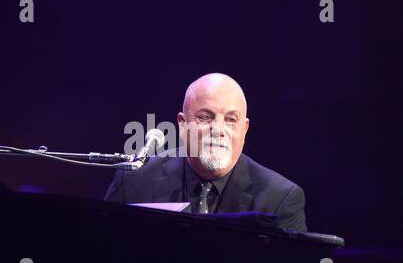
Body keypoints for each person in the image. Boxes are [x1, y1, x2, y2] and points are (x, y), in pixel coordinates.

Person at [105, 73, 307, 231]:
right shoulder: (134, 180)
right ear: (183, 125)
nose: (218, 130)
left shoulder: (280, 199)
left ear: (244, 130)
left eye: (231, 120)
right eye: (205, 117)